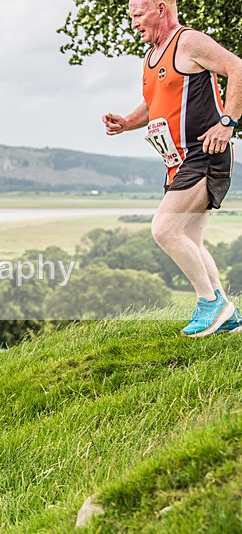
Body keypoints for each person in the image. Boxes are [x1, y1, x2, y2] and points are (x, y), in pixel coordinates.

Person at [102, 0, 242, 337]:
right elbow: (155, 105)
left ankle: (210, 304)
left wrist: (227, 123)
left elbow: (237, 68)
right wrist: (126, 122)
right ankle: (227, 314)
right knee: (190, 238)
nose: (133, 24)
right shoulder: (152, 58)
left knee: (165, 230)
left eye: (138, 15)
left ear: (160, 9)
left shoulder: (188, 41)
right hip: (178, 163)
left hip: (205, 152)